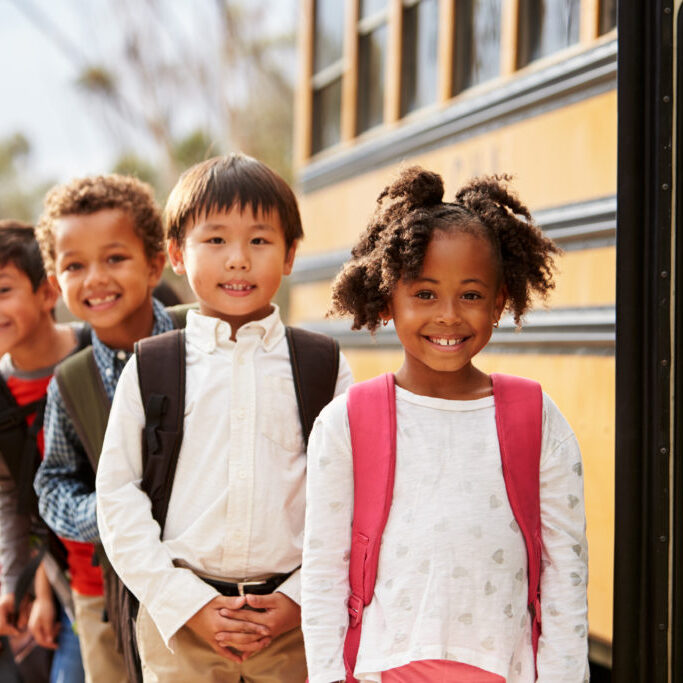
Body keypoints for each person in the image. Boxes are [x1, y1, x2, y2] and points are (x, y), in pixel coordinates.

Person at [301, 167, 589, 682]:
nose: (450, 316)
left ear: (500, 303)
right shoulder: (347, 422)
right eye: (425, 293)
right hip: (384, 671)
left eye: (472, 295)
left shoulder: (536, 416)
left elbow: (564, 573)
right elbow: (323, 575)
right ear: (389, 299)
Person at [95, 153, 353, 682]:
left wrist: (298, 599)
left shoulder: (322, 366)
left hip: (296, 627)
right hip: (181, 626)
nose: (238, 259)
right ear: (175, 254)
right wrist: (183, 603)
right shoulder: (151, 368)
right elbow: (117, 497)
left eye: (260, 241)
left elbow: (352, 494)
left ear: (290, 255)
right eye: (214, 240)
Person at [33, 174, 171, 683]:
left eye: (114, 259)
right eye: (75, 265)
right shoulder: (69, 382)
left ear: (155, 264)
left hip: (205, 586)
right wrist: (114, 517)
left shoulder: (202, 340)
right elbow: (52, 485)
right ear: (55, 282)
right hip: (104, 602)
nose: (95, 278)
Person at [0, 220, 86, 683]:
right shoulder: (1, 391)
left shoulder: (97, 358)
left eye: (2, 289)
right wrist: (22, 584)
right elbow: (16, 500)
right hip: (72, 588)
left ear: (48, 292)